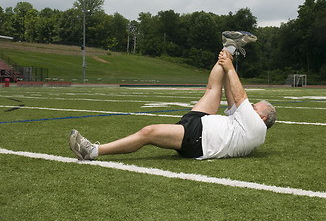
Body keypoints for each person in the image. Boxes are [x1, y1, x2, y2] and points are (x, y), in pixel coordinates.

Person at [69, 31, 276, 161]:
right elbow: (231, 95)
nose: (251, 107)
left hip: (200, 140)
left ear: (263, 117)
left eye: (255, 107)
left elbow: (240, 97)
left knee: (148, 132)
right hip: (200, 122)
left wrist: (230, 68)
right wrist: (227, 59)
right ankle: (230, 44)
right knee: (213, 90)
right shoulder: (245, 123)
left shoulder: (257, 129)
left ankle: (93, 151)